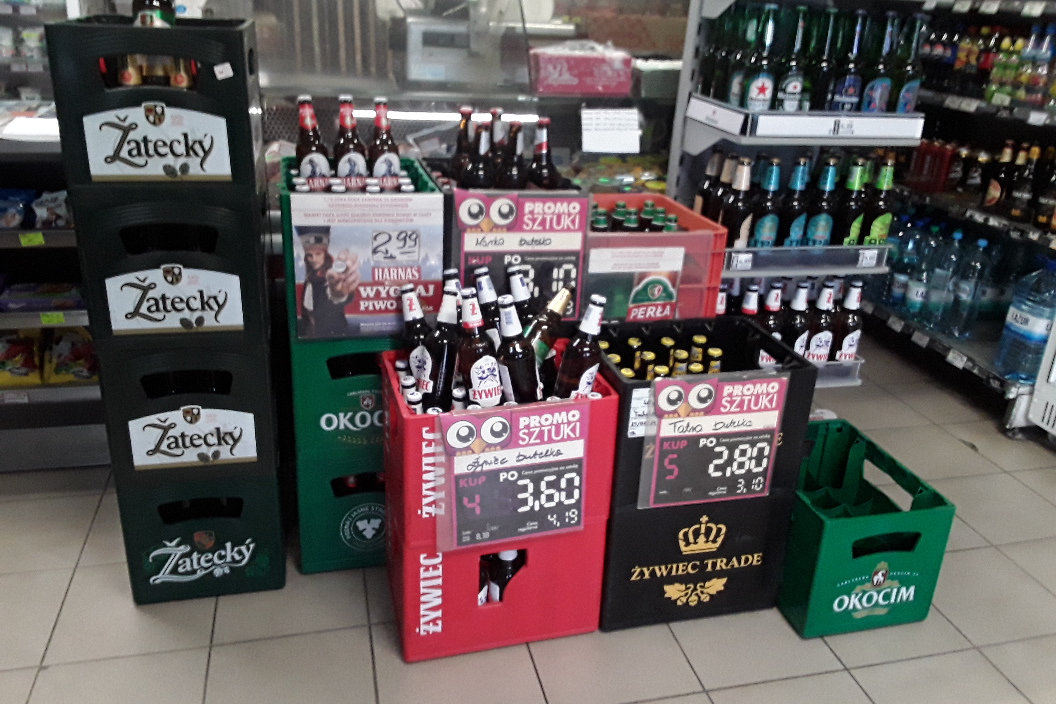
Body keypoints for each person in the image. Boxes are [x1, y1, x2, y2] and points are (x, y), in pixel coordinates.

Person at [297, 227, 360, 337]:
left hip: (333, 337)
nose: (314, 259)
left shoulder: (332, 274)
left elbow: (340, 295)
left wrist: (339, 293)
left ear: (325, 254)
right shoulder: (310, 278)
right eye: (310, 255)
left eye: (318, 254)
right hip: (312, 336)